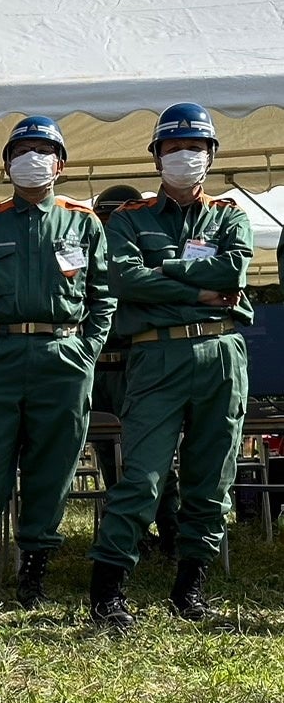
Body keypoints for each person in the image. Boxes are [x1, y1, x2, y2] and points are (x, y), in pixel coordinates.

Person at [0, 116, 114, 610]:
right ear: (6, 163)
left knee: (51, 469)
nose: (31, 159)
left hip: (64, 358)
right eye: (21, 151)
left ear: (60, 164)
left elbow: (104, 296)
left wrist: (88, 349)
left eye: (43, 150)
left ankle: (33, 577)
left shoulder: (85, 222)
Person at [89, 103, 254, 628]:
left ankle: (190, 591)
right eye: (173, 147)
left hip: (222, 355)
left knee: (213, 478)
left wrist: (167, 269)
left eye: (196, 147)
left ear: (211, 155)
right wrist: (200, 288)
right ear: (156, 155)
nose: (185, 156)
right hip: (157, 355)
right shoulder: (129, 218)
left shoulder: (230, 214)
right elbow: (122, 278)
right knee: (142, 477)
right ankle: (108, 594)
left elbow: (233, 271)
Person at [90, 184, 180, 555]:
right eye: (104, 216)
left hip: (137, 364)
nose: (109, 222)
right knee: (108, 456)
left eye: (115, 215)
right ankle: (130, 533)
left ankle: (172, 530)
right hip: (97, 369)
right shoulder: (85, 252)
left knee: (150, 455)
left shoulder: (140, 255)